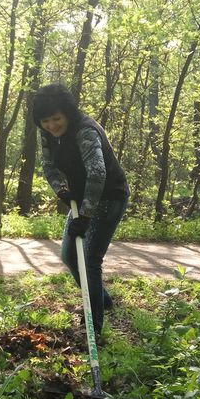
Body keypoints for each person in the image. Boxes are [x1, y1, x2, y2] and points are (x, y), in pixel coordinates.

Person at [33, 83, 129, 337]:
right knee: (69, 255)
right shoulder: (47, 134)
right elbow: (49, 166)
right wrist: (62, 191)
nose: (52, 125)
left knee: (90, 259)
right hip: (82, 196)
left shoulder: (85, 131)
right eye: (45, 121)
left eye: (56, 118)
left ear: (68, 113)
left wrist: (85, 215)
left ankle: (93, 326)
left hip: (109, 197)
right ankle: (102, 300)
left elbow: (97, 173)